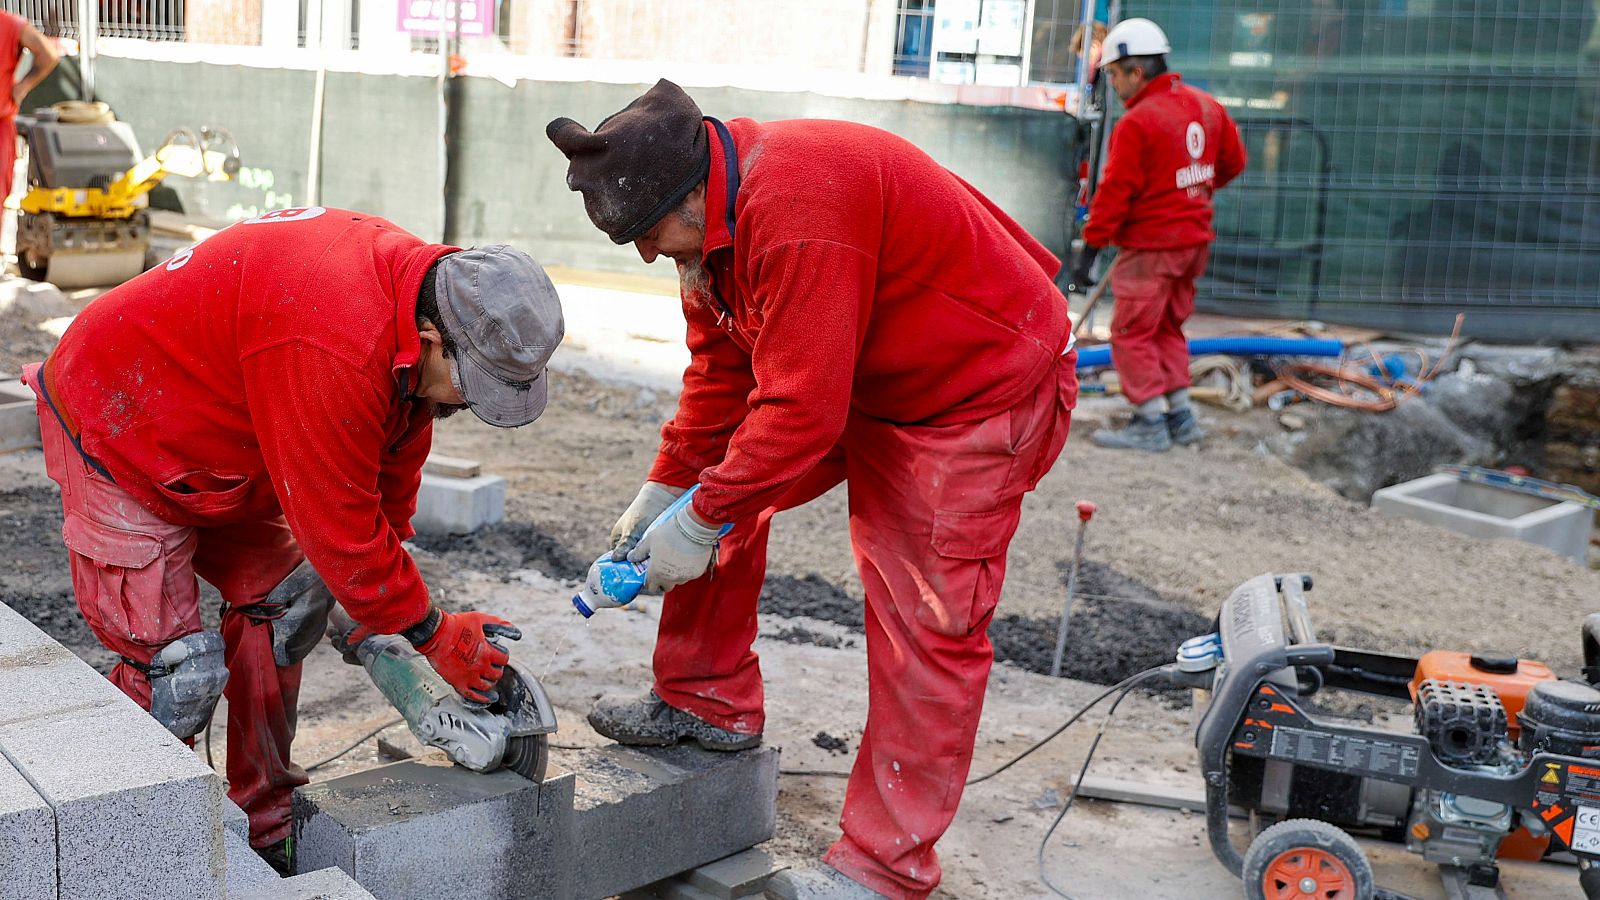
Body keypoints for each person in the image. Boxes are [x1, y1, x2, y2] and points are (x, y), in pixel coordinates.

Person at [546, 80, 1076, 900]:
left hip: (972, 386)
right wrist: (668, 490)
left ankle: (884, 868)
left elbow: (800, 411)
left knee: (922, 615)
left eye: (649, 235)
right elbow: (725, 374)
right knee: (713, 490)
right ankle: (705, 701)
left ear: (690, 194)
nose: (651, 256)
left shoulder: (795, 208)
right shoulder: (712, 224)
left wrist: (705, 512)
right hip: (861, 368)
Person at [19, 207, 564, 872]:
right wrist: (431, 632)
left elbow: (383, 488)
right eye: (473, 388)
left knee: (290, 605)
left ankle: (266, 823)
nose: (470, 407)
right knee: (176, 675)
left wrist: (385, 623)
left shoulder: (427, 305)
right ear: (430, 339)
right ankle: (125, 854)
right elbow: (338, 527)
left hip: (224, 439)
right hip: (119, 418)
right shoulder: (337, 335)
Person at [1078, 17, 1246, 452]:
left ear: (1136, 71)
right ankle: (1180, 416)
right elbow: (1232, 163)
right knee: (1168, 328)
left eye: (1114, 74)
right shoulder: (1207, 106)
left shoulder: (1138, 123)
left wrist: (1091, 247)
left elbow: (1115, 194)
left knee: (1133, 332)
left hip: (1152, 245)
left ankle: (1149, 423)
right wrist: (1190, 193)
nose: (1112, 84)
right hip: (1193, 241)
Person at [0, 13, 59, 199]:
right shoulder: (10, 24)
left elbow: (49, 55)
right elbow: (48, 55)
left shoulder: (9, 24)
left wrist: (22, 88)